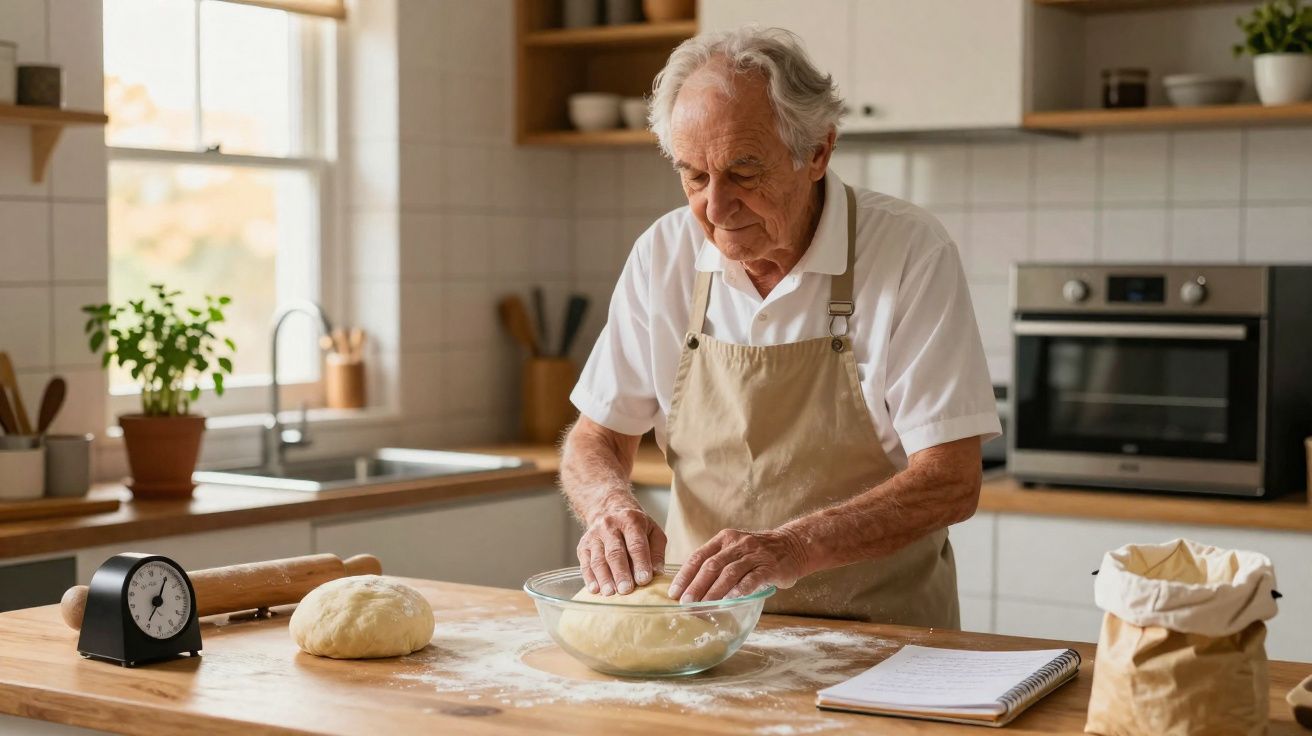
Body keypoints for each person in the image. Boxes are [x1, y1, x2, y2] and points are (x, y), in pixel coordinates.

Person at [558, 26, 1000, 626]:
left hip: (883, 635)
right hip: (702, 632)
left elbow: (950, 482)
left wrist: (792, 549)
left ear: (817, 152)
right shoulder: (664, 253)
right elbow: (596, 438)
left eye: (743, 172)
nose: (715, 209)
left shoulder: (909, 252)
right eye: (693, 176)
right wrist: (609, 505)